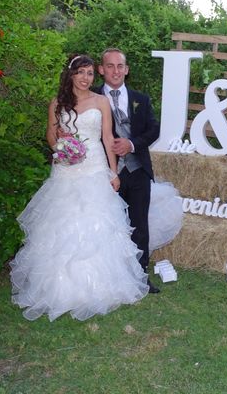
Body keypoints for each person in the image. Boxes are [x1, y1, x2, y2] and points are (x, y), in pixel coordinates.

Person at [10, 54, 149, 322]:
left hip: (96, 167)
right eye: (81, 73)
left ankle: (98, 287)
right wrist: (60, 147)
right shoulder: (57, 103)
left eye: (89, 74)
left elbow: (108, 138)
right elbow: (50, 135)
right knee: (62, 225)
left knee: (96, 223)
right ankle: (60, 289)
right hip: (66, 170)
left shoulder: (101, 102)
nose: (86, 78)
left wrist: (113, 171)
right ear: (71, 75)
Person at [95, 48, 162, 293]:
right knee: (107, 226)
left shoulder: (140, 99)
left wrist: (131, 144)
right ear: (101, 70)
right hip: (104, 173)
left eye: (120, 66)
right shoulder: (90, 97)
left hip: (137, 171)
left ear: (127, 69)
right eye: (110, 66)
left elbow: (154, 129)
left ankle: (140, 276)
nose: (115, 71)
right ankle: (107, 278)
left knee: (139, 226)